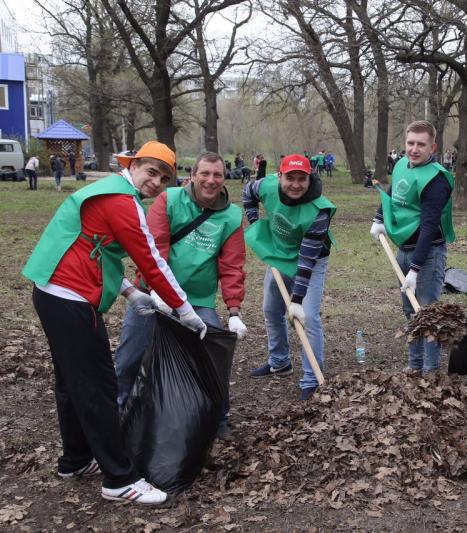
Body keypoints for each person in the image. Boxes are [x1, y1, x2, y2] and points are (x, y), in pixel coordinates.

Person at [22, 141, 208, 505]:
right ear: (133, 165)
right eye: (151, 171)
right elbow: (151, 260)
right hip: (70, 297)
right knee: (98, 387)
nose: (156, 182)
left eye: (164, 178)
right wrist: (184, 309)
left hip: (52, 291)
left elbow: (92, 245)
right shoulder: (121, 201)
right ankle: (120, 479)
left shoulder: (109, 190)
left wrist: (128, 291)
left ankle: (75, 460)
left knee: (71, 382)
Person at [114, 152, 247, 440]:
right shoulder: (170, 200)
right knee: (130, 357)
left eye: (217, 175)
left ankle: (219, 417)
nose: (211, 181)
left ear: (225, 179)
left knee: (214, 354)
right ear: (193, 175)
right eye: (205, 174)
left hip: (197, 299)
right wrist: (159, 291)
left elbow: (232, 265)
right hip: (152, 293)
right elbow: (152, 248)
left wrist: (234, 311)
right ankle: (116, 417)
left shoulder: (232, 217)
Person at [244, 155, 335, 401]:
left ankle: (312, 378)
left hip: (312, 260)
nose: (295, 184)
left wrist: (296, 300)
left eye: (301, 179)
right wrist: (257, 225)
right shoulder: (265, 186)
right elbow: (247, 193)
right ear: (279, 177)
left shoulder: (319, 210)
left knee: (309, 316)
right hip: (280, 251)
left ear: (310, 178)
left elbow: (305, 261)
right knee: (271, 309)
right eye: (290, 178)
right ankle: (280, 362)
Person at [370, 120, 454, 375]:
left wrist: (415, 269)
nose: (414, 149)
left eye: (421, 144)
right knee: (410, 310)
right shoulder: (401, 166)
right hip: (403, 249)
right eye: (410, 143)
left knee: (426, 312)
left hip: (427, 254)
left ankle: (430, 371)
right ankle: (414, 365)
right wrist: (379, 218)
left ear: (433, 147)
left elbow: (429, 226)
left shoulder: (436, 179)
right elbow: (393, 194)